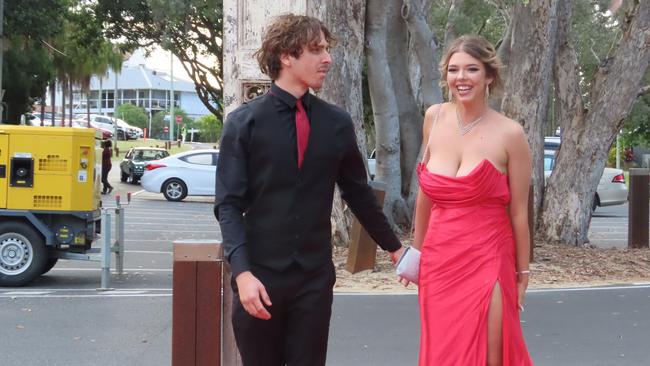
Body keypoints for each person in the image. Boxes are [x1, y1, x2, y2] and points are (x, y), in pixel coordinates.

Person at [214, 14, 405, 366]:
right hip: (259, 275)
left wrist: (396, 251)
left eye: (327, 49)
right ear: (286, 55)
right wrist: (242, 274)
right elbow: (228, 206)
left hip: (314, 279)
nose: (327, 59)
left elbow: (359, 194)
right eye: (317, 50)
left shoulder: (336, 123)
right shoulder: (244, 123)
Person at [405, 35, 533, 365]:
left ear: (489, 76)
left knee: (491, 352)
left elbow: (518, 213)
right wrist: (415, 254)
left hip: (489, 254)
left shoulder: (510, 134)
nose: (461, 78)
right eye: (453, 70)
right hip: (439, 258)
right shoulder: (433, 118)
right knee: (446, 352)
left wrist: (523, 273)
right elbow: (425, 197)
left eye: (471, 69)